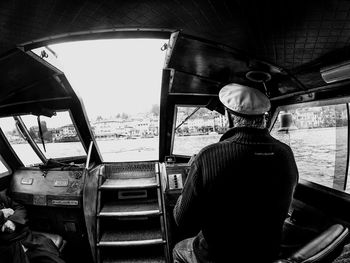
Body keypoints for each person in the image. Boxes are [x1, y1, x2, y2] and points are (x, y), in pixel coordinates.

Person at [172, 83, 299, 263]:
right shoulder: (286, 153)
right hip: (266, 254)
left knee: (178, 249)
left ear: (230, 119)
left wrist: (189, 181)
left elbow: (183, 223)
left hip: (218, 256)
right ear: (264, 118)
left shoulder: (207, 157)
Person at [0, 189, 65, 263]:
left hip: (25, 238)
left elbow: (20, 208)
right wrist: (3, 213)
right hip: (6, 247)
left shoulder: (1, 196)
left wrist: (12, 221)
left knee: (49, 251)